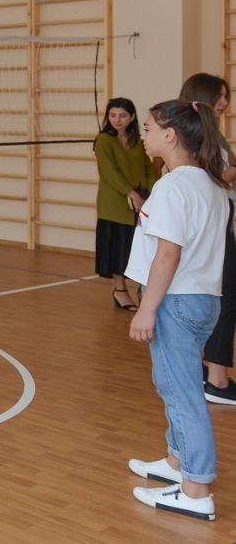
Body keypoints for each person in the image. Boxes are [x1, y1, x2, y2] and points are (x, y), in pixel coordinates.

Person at [126, 99, 229, 522]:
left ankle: (196, 488)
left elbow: (168, 254)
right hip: (205, 300)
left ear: (170, 136)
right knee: (173, 383)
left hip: (176, 300)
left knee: (182, 393)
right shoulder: (212, 184)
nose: (144, 134)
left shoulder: (172, 187)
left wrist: (146, 309)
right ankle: (177, 461)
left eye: (149, 128)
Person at [178, 73, 236, 405]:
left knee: (222, 298)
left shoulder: (214, 134)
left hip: (220, 224)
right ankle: (216, 379)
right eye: (220, 96)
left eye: (227, 96)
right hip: (211, 228)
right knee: (225, 297)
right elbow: (207, 179)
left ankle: (210, 372)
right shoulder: (195, 135)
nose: (225, 102)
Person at [93, 98, 155, 309]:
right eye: (112, 115)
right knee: (118, 249)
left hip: (141, 201)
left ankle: (142, 289)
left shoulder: (137, 140)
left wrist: (150, 193)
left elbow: (148, 168)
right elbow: (109, 172)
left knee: (140, 248)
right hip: (115, 204)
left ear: (132, 117)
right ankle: (120, 290)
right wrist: (131, 194)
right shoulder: (103, 140)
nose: (117, 120)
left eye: (122, 115)